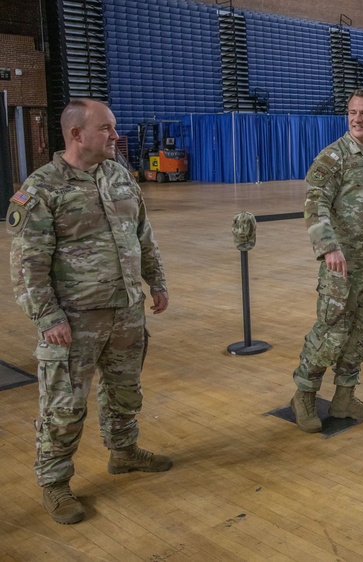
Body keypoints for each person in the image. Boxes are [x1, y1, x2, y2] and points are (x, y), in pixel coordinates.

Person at [8, 98, 171, 525]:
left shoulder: (120, 176)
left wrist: (157, 281)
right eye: (107, 128)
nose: (116, 135)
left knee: (124, 391)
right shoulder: (42, 188)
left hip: (126, 311)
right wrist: (48, 318)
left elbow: (143, 235)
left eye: (114, 127)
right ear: (76, 134)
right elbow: (28, 266)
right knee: (64, 407)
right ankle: (55, 482)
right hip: (74, 321)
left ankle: (123, 451)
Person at [289, 88, 363, 432]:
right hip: (341, 268)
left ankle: (344, 397)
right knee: (331, 334)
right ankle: (305, 395)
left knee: (362, 335)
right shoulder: (332, 158)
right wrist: (329, 247)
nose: (357, 118)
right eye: (353, 112)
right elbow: (315, 204)